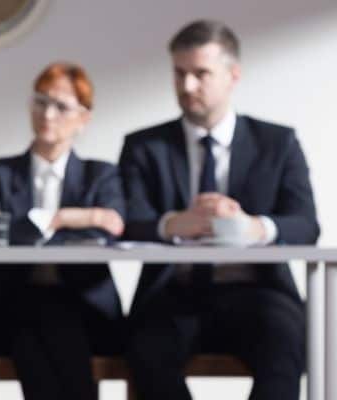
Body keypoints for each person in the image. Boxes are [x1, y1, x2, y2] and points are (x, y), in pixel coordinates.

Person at [119, 19, 319, 400]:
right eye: (179, 74)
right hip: (174, 293)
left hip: (258, 290)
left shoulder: (277, 142)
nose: (187, 86)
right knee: (146, 350)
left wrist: (253, 228)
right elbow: (127, 222)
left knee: (285, 344)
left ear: (232, 75)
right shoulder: (145, 146)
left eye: (200, 74)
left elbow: (306, 224)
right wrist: (174, 224)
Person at [0, 62, 125, 400]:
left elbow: (111, 232)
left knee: (50, 317)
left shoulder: (101, 176)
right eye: (40, 101)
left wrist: (30, 223)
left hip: (86, 309)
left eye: (61, 106)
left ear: (84, 118)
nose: (48, 114)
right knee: (39, 317)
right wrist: (76, 218)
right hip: (11, 306)